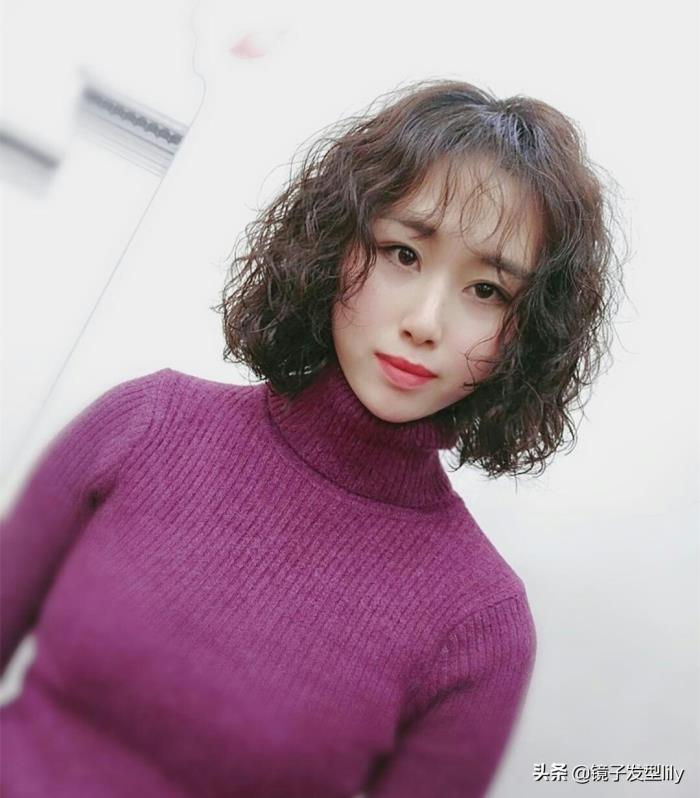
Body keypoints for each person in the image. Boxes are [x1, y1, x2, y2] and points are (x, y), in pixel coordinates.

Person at [0, 80, 621, 797]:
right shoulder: (142, 425)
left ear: (528, 334)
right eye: (403, 254)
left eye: (487, 291)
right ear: (335, 242)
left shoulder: (481, 631)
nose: (425, 322)